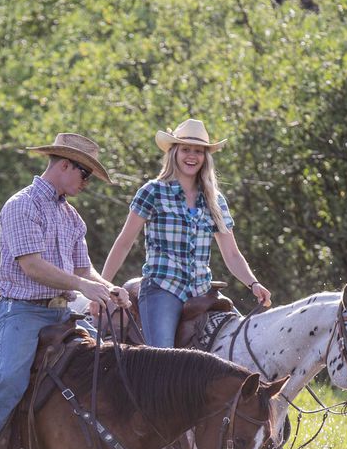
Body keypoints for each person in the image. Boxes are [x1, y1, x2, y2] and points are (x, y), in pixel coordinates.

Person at [0, 132, 131, 449]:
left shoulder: (72, 218)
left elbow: (84, 269)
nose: (85, 183)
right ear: (64, 165)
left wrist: (109, 288)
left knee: (104, 366)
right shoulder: (21, 206)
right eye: (85, 174)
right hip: (21, 310)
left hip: (61, 313)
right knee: (11, 376)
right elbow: (32, 267)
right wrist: (84, 288)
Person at [102, 119, 271, 347]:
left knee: (242, 345)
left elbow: (231, 253)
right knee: (163, 358)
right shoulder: (153, 191)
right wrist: (103, 286)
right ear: (174, 153)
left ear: (205, 157)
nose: (192, 156)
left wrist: (253, 283)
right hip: (163, 288)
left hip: (202, 291)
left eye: (199, 151)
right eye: (186, 149)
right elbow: (124, 242)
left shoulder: (214, 200)